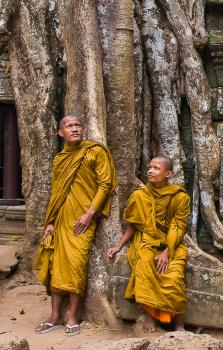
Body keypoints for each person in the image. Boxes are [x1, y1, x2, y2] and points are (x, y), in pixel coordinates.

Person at [33, 115, 116, 336]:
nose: (75, 129)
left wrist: (90, 213)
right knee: (55, 267)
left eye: (78, 125)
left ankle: (72, 316)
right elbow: (56, 192)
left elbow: (105, 183)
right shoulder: (60, 159)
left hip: (82, 220)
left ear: (84, 128)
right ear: (61, 133)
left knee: (76, 266)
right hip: (61, 220)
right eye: (70, 126)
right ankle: (55, 315)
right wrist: (49, 222)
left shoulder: (95, 151)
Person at [107, 156, 189, 332]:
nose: (150, 171)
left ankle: (179, 323)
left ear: (168, 174)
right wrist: (119, 246)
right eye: (150, 167)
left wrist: (167, 252)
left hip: (172, 244)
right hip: (147, 241)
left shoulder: (180, 197)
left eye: (156, 168)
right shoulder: (140, 195)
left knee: (175, 275)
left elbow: (178, 227)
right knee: (144, 264)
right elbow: (134, 225)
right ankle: (151, 317)